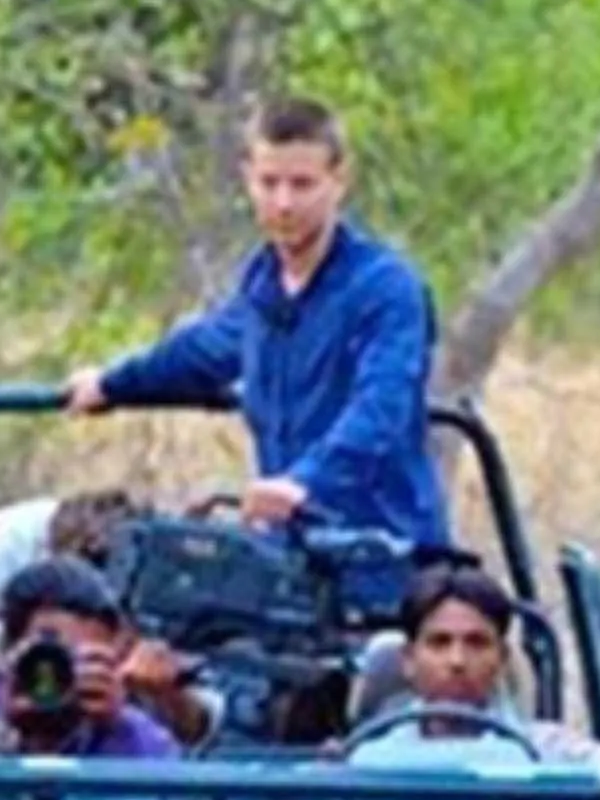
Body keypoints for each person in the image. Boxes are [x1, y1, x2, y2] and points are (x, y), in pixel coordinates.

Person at [60, 96, 450, 562]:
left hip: (387, 552)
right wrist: (111, 384)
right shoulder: (262, 287)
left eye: (302, 184)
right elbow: (202, 351)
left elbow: (382, 406)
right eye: (270, 183)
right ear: (248, 178)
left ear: (339, 181)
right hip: (290, 557)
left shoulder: (385, 289)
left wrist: (304, 483)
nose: (284, 203)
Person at [0, 488, 215, 745]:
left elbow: (198, 738)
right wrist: (4, 721)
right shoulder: (1, 549)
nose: (59, 669)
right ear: (5, 652)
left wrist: (140, 707)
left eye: (87, 652)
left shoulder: (139, 739)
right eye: (50, 649)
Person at [344, 565, 600, 774]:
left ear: (501, 658)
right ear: (409, 659)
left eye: (477, 643)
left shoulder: (550, 753)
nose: (457, 661)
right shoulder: (364, 764)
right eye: (439, 643)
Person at [0, 555, 181, 760]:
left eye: (83, 660)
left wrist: (118, 733)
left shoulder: (142, 743)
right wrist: (1, 734)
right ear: (4, 651)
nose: (55, 673)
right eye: (48, 653)